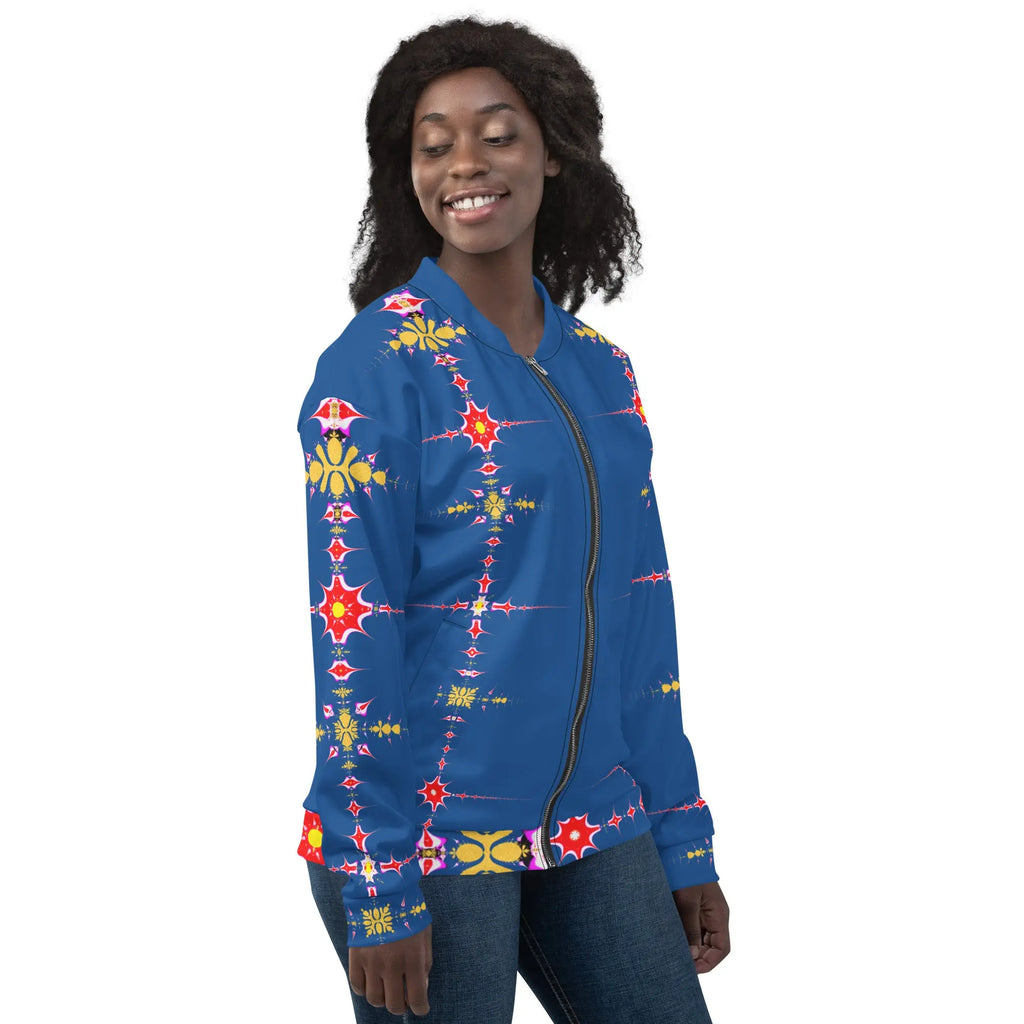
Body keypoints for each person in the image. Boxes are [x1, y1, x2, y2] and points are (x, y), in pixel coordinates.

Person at [294, 16, 731, 1023]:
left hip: (596, 818)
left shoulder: (602, 372)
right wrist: (377, 878)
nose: (464, 163)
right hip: (425, 837)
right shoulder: (374, 370)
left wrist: (680, 834)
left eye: (496, 133)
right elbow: (353, 633)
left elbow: (640, 615)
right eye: (433, 144)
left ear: (553, 153)